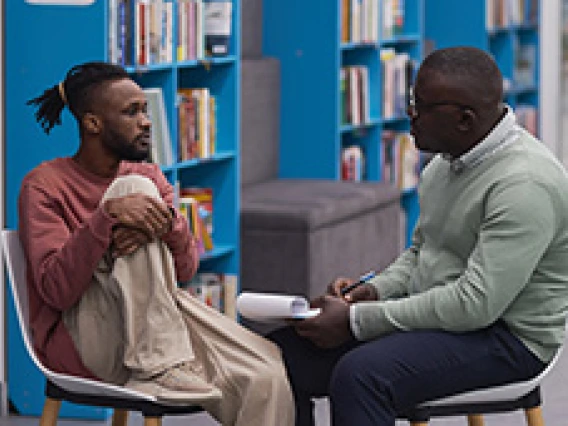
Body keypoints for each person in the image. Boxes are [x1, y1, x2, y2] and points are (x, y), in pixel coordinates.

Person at [269, 46, 568, 426]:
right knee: (284, 354)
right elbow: (421, 253)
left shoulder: (525, 185)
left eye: (422, 106)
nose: (410, 114)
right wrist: (374, 291)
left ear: (464, 119)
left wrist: (356, 320)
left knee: (363, 376)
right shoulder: (447, 164)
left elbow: (477, 305)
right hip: (451, 314)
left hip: (509, 339)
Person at [20, 61, 294, 426]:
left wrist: (166, 226)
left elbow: (184, 271)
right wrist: (107, 217)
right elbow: (55, 290)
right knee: (132, 192)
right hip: (82, 336)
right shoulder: (44, 185)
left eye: (145, 110)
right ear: (92, 123)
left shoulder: (148, 174)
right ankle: (158, 366)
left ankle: (161, 363)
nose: (146, 121)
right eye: (131, 112)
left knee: (265, 372)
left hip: (158, 318)